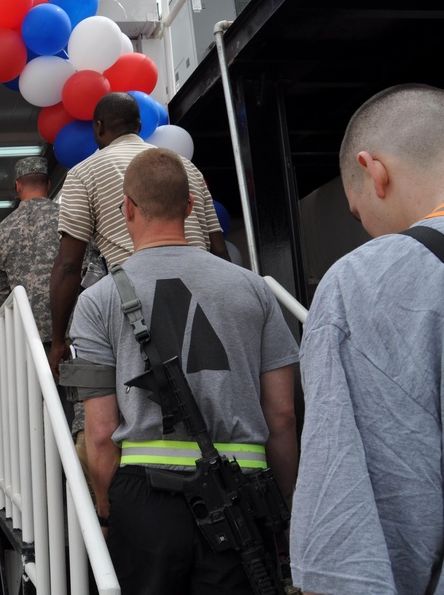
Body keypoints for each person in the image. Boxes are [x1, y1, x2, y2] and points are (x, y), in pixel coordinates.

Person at [62, 148, 299, 594]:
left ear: (127, 208)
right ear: (190, 208)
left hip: (145, 497)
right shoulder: (255, 289)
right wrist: (286, 509)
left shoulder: (97, 300)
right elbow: (283, 414)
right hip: (243, 492)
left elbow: (99, 431)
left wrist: (107, 508)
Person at [291, 84, 444, 595]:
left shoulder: (364, 284)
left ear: (374, 171)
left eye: (360, 217)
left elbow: (351, 526)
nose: (368, 233)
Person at [50, 92, 228, 379]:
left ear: (99, 127)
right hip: (204, 295)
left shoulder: (84, 173)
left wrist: (58, 340)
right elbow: (219, 250)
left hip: (137, 306)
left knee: (143, 397)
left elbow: (68, 265)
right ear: (139, 124)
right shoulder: (185, 167)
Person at [0, 156, 59, 342]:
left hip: (26, 334)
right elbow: (92, 268)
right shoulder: (69, 218)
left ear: (18, 186)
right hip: (70, 329)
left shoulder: (2, 230)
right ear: (48, 184)